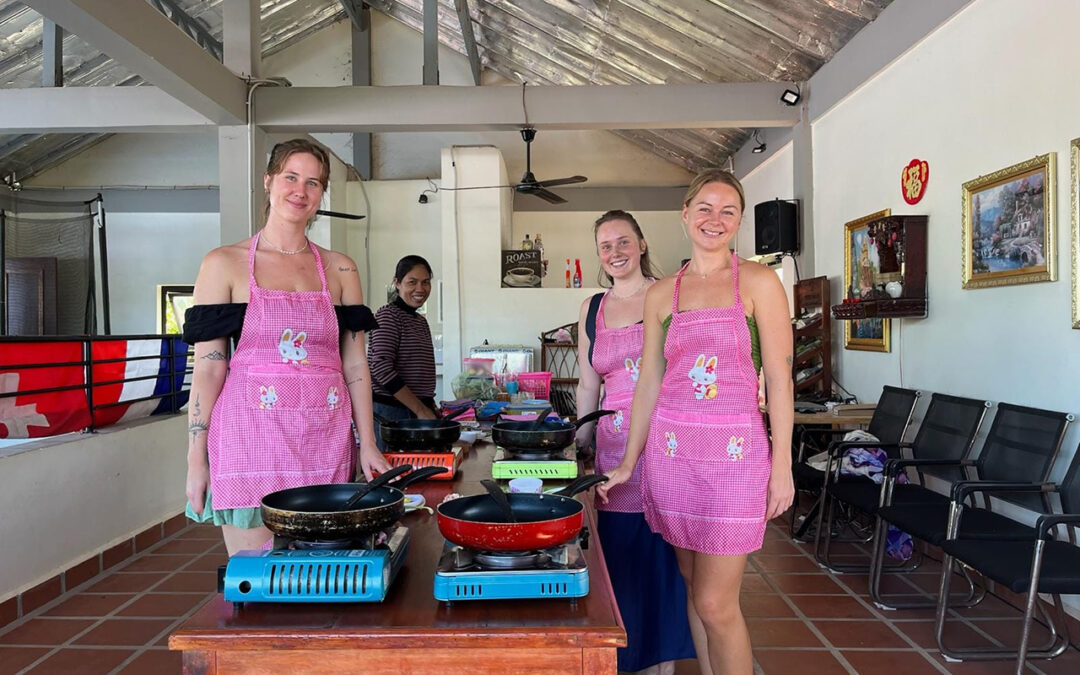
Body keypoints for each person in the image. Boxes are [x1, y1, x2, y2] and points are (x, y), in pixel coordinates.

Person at [596, 169, 795, 675]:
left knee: (715, 604)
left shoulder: (758, 282)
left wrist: (783, 466)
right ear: (685, 215)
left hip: (734, 464)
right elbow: (649, 383)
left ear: (739, 221)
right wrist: (627, 463)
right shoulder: (662, 294)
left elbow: (779, 376)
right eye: (704, 208)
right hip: (671, 461)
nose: (715, 219)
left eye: (728, 210)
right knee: (692, 588)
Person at [182, 139, 391, 556]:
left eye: (313, 182)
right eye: (290, 177)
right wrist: (195, 459)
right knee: (262, 577)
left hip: (325, 438)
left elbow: (355, 365)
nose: (300, 190)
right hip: (249, 439)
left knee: (324, 570)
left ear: (321, 193)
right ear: (269, 181)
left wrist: (367, 442)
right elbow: (209, 367)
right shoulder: (224, 263)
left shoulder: (341, 268)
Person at [576, 210, 695, 675]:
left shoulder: (668, 294)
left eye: (623, 242)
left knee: (662, 556)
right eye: (606, 246)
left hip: (665, 441)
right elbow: (589, 385)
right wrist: (579, 442)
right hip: (612, 449)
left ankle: (660, 663)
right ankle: (622, 659)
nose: (615, 253)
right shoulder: (591, 308)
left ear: (642, 244)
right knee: (620, 554)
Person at [367, 255, 438, 449]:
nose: (420, 289)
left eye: (425, 282)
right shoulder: (388, 315)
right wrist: (420, 409)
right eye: (412, 282)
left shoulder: (420, 321)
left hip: (415, 411)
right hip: (392, 413)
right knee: (394, 474)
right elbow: (380, 368)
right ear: (397, 283)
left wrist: (428, 405)